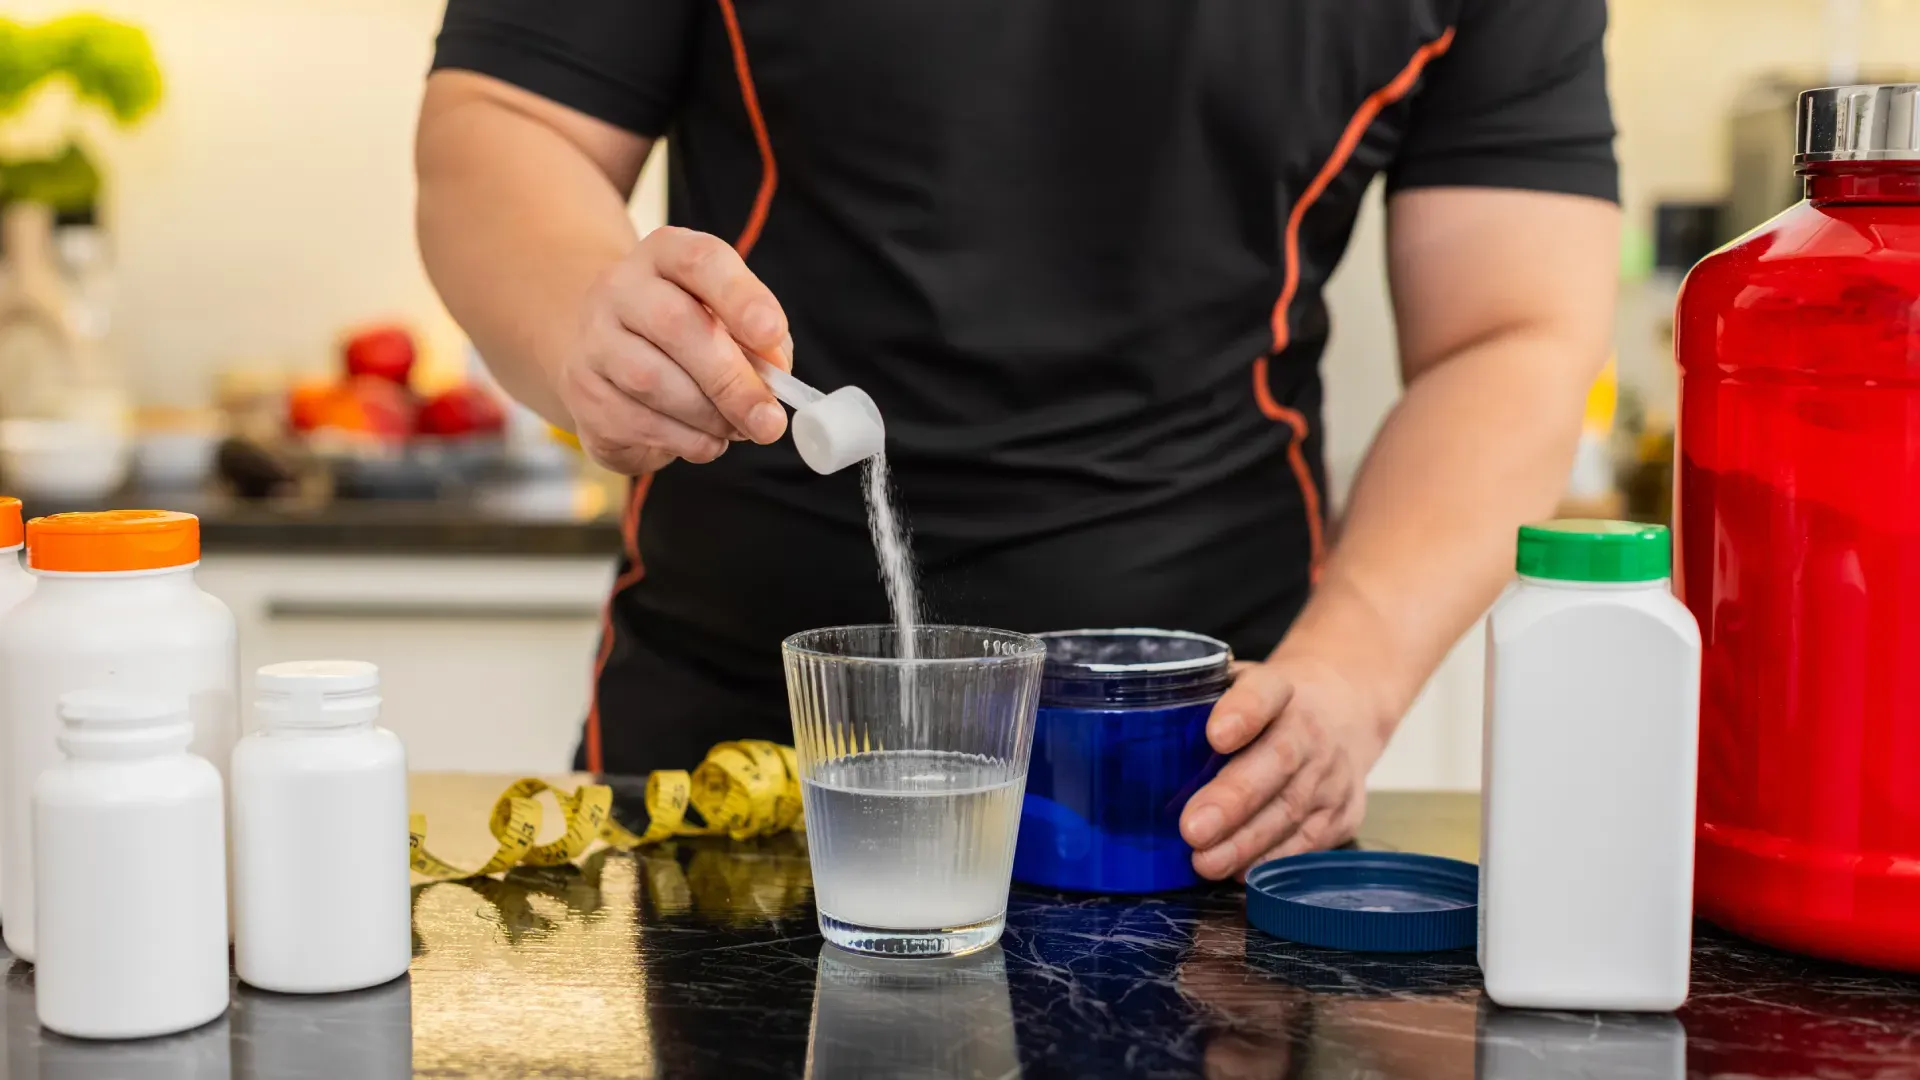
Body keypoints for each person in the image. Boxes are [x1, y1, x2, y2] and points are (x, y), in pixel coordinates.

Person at [415, 0, 1620, 882]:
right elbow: (511, 119)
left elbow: (1510, 335)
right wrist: (586, 313)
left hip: (1201, 776)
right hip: (743, 772)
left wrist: (1354, 673)